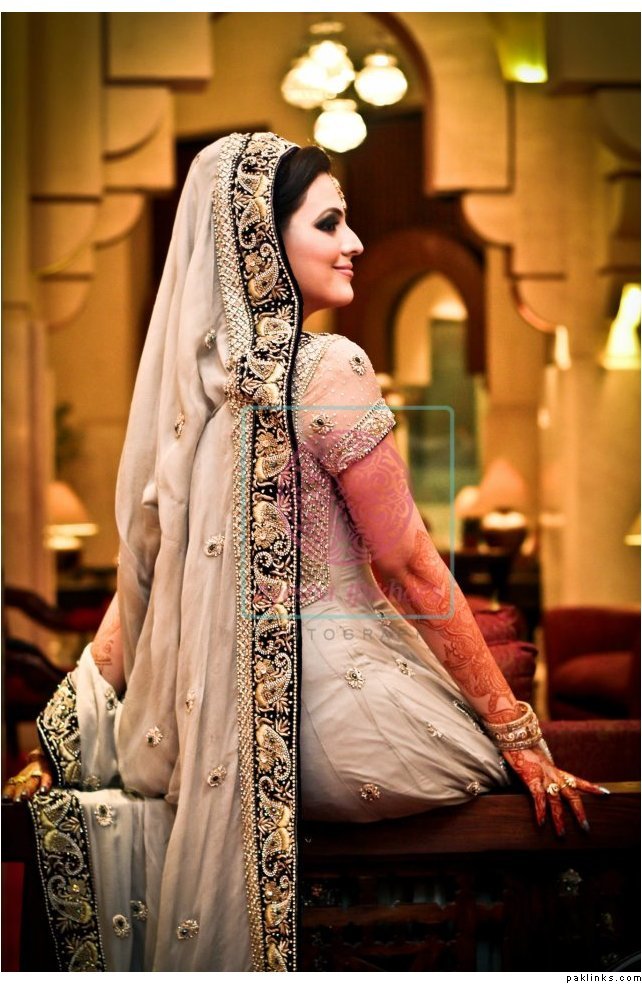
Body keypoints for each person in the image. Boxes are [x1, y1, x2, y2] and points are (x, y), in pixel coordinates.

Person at [3, 132, 605, 972]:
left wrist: (69, 728)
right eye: (328, 223)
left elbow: (147, 583)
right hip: (341, 733)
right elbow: (410, 567)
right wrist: (520, 732)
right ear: (261, 241)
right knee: (527, 793)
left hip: (220, 740)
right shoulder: (329, 367)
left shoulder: (204, 389)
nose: (353, 242)